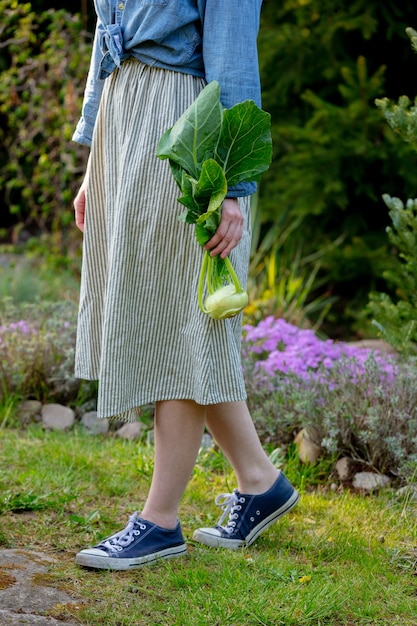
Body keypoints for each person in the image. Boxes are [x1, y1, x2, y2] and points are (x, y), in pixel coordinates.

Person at [73, 0, 299, 571]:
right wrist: (95, 159)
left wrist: (233, 185)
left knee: (182, 319)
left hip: (183, 126)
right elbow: (108, 41)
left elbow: (234, 63)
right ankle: (259, 479)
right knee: (175, 314)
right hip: (124, 124)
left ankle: (160, 521)